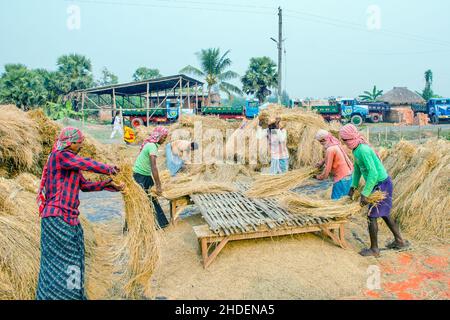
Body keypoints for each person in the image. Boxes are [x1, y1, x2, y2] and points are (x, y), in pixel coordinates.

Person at [36, 127, 124, 300]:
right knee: (63, 261)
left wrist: (108, 185)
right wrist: (109, 169)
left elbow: (84, 185)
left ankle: (74, 294)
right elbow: (85, 163)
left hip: (69, 219)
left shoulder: (70, 163)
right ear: (70, 143)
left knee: (75, 259)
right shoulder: (60, 156)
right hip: (56, 218)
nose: (81, 145)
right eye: (79, 143)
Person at [339, 124, 408, 257]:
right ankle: (400, 241)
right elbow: (358, 170)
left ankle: (374, 250)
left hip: (382, 185)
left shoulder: (363, 150)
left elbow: (373, 173)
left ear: (350, 138)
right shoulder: (356, 150)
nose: (344, 143)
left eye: (344, 140)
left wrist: (365, 193)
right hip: (378, 184)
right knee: (385, 214)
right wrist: (353, 187)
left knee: (371, 216)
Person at [132, 126, 170, 228]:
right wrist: (158, 185)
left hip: (145, 175)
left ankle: (159, 224)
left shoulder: (152, 145)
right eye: (164, 137)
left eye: (166, 137)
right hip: (140, 176)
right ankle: (134, 226)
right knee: (138, 201)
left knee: (152, 199)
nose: (164, 139)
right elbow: (154, 166)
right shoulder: (152, 146)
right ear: (158, 136)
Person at [314, 129, 353, 200]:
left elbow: (327, 170)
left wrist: (319, 177)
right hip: (349, 175)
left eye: (320, 142)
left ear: (322, 140)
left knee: (336, 201)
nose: (320, 144)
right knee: (345, 199)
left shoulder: (330, 149)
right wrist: (321, 162)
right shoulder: (336, 144)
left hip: (341, 178)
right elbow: (331, 157)